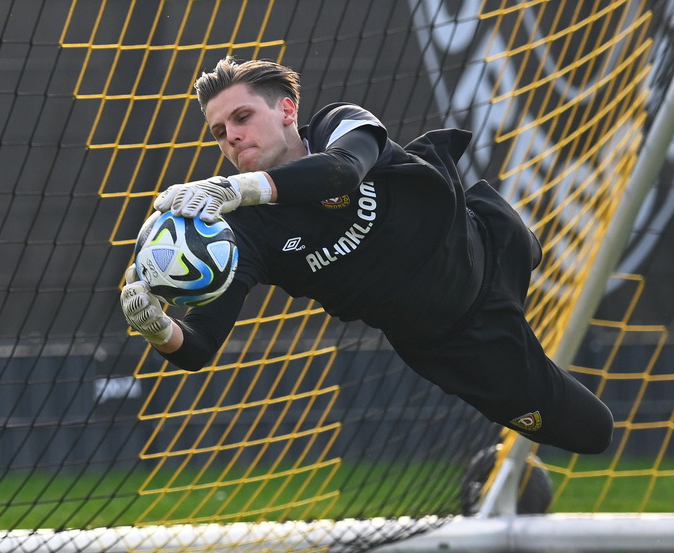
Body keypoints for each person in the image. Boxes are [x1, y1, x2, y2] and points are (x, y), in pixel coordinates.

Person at [120, 57, 613, 454]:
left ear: (287, 111)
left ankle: (521, 251)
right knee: (592, 432)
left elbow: (340, 174)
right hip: (454, 336)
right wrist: (158, 329)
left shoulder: (339, 124)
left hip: (488, 242)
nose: (230, 135)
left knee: (518, 242)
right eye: (218, 130)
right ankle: (505, 470)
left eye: (242, 117)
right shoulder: (242, 234)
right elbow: (201, 345)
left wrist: (236, 188)